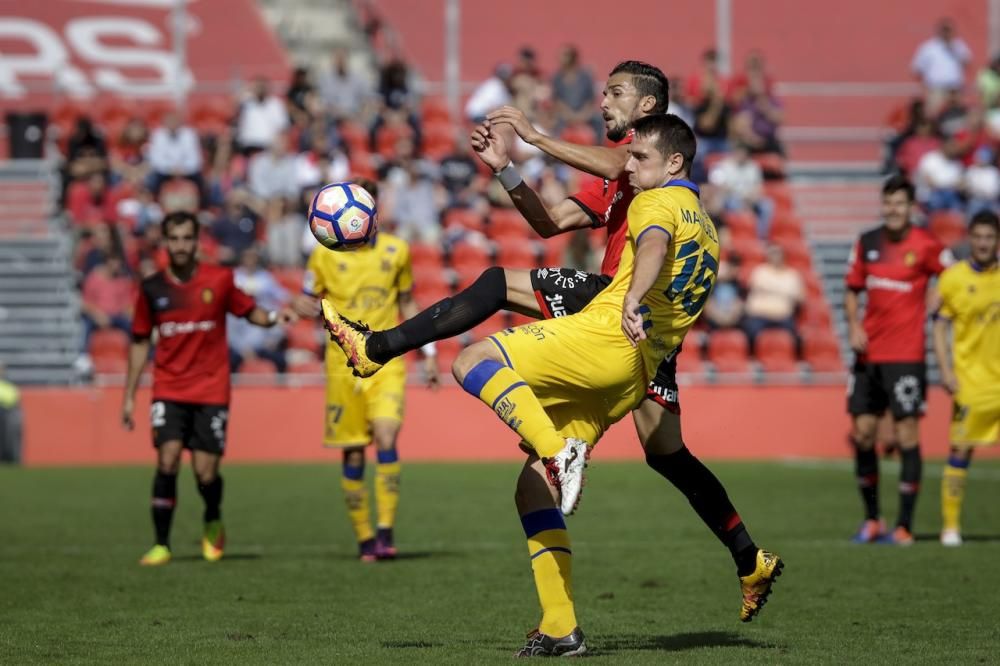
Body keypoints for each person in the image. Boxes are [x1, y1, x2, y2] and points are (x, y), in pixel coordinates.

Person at [323, 114, 782, 655]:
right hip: (634, 373)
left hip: (606, 331)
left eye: (638, 156)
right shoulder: (706, 226)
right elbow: (571, 226)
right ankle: (561, 626)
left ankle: (383, 353)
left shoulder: (655, 201)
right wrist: (511, 168)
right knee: (533, 488)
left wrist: (631, 298)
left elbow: (653, 245)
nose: (627, 163)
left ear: (673, 159)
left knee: (472, 358)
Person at [122, 211, 294, 566]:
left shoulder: (219, 279)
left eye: (187, 238)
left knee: (206, 473)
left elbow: (249, 312)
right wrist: (129, 395)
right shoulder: (153, 288)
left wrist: (278, 316)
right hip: (168, 387)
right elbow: (140, 341)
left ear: (197, 242)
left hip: (211, 389)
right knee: (167, 459)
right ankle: (161, 544)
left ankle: (212, 517)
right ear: (165, 242)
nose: (181, 245)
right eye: (175, 238)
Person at [293, 179, 440, 561]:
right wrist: (303, 307)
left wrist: (429, 353)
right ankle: (363, 538)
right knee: (354, 453)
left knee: (387, 438)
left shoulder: (397, 250)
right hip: (342, 366)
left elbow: (408, 303)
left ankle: (386, 530)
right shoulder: (323, 255)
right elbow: (306, 300)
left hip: (386, 362)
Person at [844, 175, 952, 545]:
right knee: (862, 434)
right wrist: (854, 325)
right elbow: (852, 290)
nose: (893, 209)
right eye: (888, 202)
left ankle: (904, 526)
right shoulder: (867, 242)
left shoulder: (926, 244)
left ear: (911, 207)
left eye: (900, 203)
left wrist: (938, 297)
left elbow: (950, 276)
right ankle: (872, 519)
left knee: (907, 435)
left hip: (906, 357)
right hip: (867, 355)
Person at [932, 211, 1000, 546]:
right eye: (979, 237)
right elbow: (940, 326)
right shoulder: (953, 278)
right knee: (960, 449)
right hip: (971, 383)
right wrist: (945, 370)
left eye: (990, 237)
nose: (984, 243)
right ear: (970, 239)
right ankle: (950, 527)